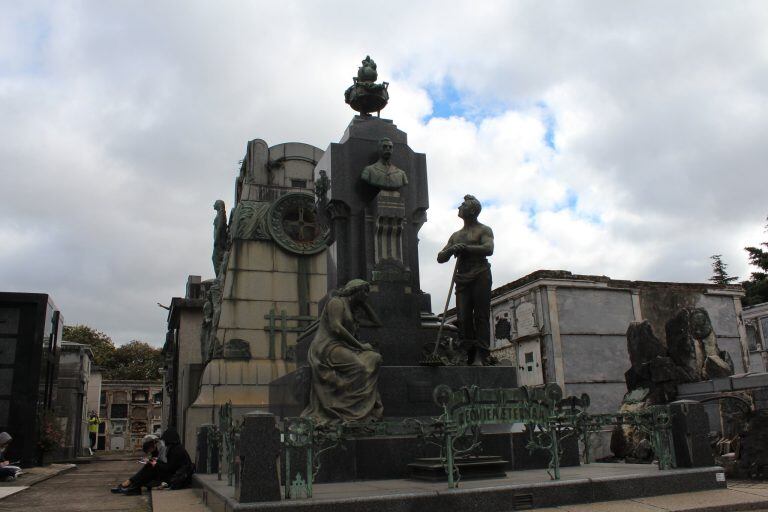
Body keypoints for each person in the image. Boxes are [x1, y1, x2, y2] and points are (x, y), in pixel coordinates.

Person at [302, 279, 383, 424]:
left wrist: (363, 303)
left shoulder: (352, 310)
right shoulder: (337, 302)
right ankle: (346, 408)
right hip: (328, 347)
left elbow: (377, 322)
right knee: (359, 366)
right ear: (355, 290)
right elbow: (336, 328)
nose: (367, 295)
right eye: (364, 291)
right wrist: (360, 346)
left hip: (344, 347)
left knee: (374, 358)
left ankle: (357, 405)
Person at [437, 195, 494, 366]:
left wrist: (466, 248)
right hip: (462, 278)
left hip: (480, 274)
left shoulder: (484, 230)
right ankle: (467, 352)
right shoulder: (456, 235)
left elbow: (488, 248)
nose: (459, 208)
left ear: (472, 210)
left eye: (462, 205)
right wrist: (452, 249)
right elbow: (440, 257)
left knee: (481, 316)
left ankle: (482, 354)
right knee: (463, 317)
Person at [110, 429, 192, 495]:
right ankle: (133, 486)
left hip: (176, 479)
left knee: (150, 466)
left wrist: (155, 463)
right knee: (150, 465)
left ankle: (131, 485)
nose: (165, 441)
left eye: (166, 439)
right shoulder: (175, 448)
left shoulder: (176, 450)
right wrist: (154, 461)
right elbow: (169, 466)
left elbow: (169, 468)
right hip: (173, 475)